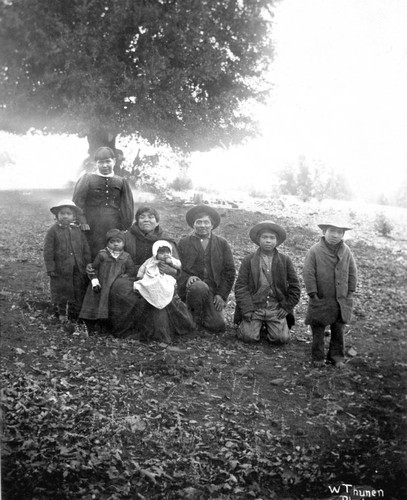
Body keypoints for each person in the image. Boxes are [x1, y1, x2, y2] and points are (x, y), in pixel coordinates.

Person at [109, 207, 194, 341]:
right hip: (133, 274)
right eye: (142, 217)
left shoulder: (165, 240)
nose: (146, 220)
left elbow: (176, 267)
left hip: (159, 276)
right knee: (120, 287)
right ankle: (128, 330)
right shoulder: (126, 237)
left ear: (157, 221)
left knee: (157, 291)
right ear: (137, 220)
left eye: (150, 217)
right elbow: (114, 253)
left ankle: (158, 331)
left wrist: (171, 271)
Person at [234, 221, 301, 344]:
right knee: (248, 337)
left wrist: (286, 307)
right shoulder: (248, 260)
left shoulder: (285, 260)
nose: (268, 241)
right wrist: (247, 309)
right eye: (264, 237)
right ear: (258, 240)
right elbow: (240, 286)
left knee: (281, 339)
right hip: (255, 307)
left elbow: (295, 287)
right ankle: (255, 326)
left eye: (272, 238)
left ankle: (270, 327)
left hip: (275, 308)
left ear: (277, 241)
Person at [303, 221, 358, 368]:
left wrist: (350, 291)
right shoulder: (314, 251)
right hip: (321, 297)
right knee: (318, 328)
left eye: (339, 232)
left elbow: (352, 271)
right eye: (332, 231)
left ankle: (336, 357)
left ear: (343, 235)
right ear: (324, 232)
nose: (335, 235)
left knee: (338, 328)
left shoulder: (346, 251)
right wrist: (313, 293)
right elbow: (308, 273)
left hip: (341, 298)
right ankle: (318, 357)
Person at [177, 205, 236, 332]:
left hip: (213, 290)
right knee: (199, 287)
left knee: (217, 325)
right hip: (190, 289)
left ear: (212, 225)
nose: (202, 225)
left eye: (206, 222)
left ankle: (205, 314)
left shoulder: (222, 243)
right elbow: (177, 267)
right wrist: (188, 277)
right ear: (193, 224)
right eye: (198, 222)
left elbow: (230, 271)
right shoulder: (183, 242)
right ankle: (192, 318)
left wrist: (221, 295)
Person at [72, 146, 134, 258]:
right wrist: (82, 221)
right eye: (100, 162)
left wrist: (125, 225)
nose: (104, 165)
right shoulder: (87, 178)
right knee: (91, 251)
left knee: (112, 250)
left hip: (113, 223)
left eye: (108, 161)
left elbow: (127, 205)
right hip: (91, 224)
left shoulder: (121, 181)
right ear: (96, 163)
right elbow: (78, 202)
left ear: (114, 161)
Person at [79, 229, 135, 333]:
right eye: (112, 242)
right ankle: (94, 323)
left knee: (112, 303)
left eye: (119, 242)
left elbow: (131, 269)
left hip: (115, 284)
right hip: (102, 283)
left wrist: (125, 276)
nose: (115, 244)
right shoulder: (102, 255)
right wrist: (95, 281)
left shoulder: (126, 256)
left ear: (123, 243)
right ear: (107, 243)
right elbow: (93, 268)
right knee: (98, 302)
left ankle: (108, 325)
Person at [43, 200, 91, 323]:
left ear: (74, 216)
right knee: (62, 290)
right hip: (61, 268)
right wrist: (51, 268)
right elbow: (48, 251)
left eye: (68, 214)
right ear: (57, 216)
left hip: (77, 266)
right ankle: (62, 313)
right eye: (62, 213)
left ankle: (75, 313)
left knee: (77, 289)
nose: (65, 216)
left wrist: (87, 263)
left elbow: (85, 248)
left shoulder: (77, 231)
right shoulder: (53, 231)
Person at [134, 240, 181, 309]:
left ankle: (173, 296)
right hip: (152, 276)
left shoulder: (171, 259)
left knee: (169, 284)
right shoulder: (151, 260)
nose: (165, 254)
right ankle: (142, 290)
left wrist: (171, 263)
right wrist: (140, 275)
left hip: (165, 276)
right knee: (147, 283)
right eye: (162, 253)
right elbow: (143, 267)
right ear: (155, 253)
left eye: (167, 252)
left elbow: (178, 265)